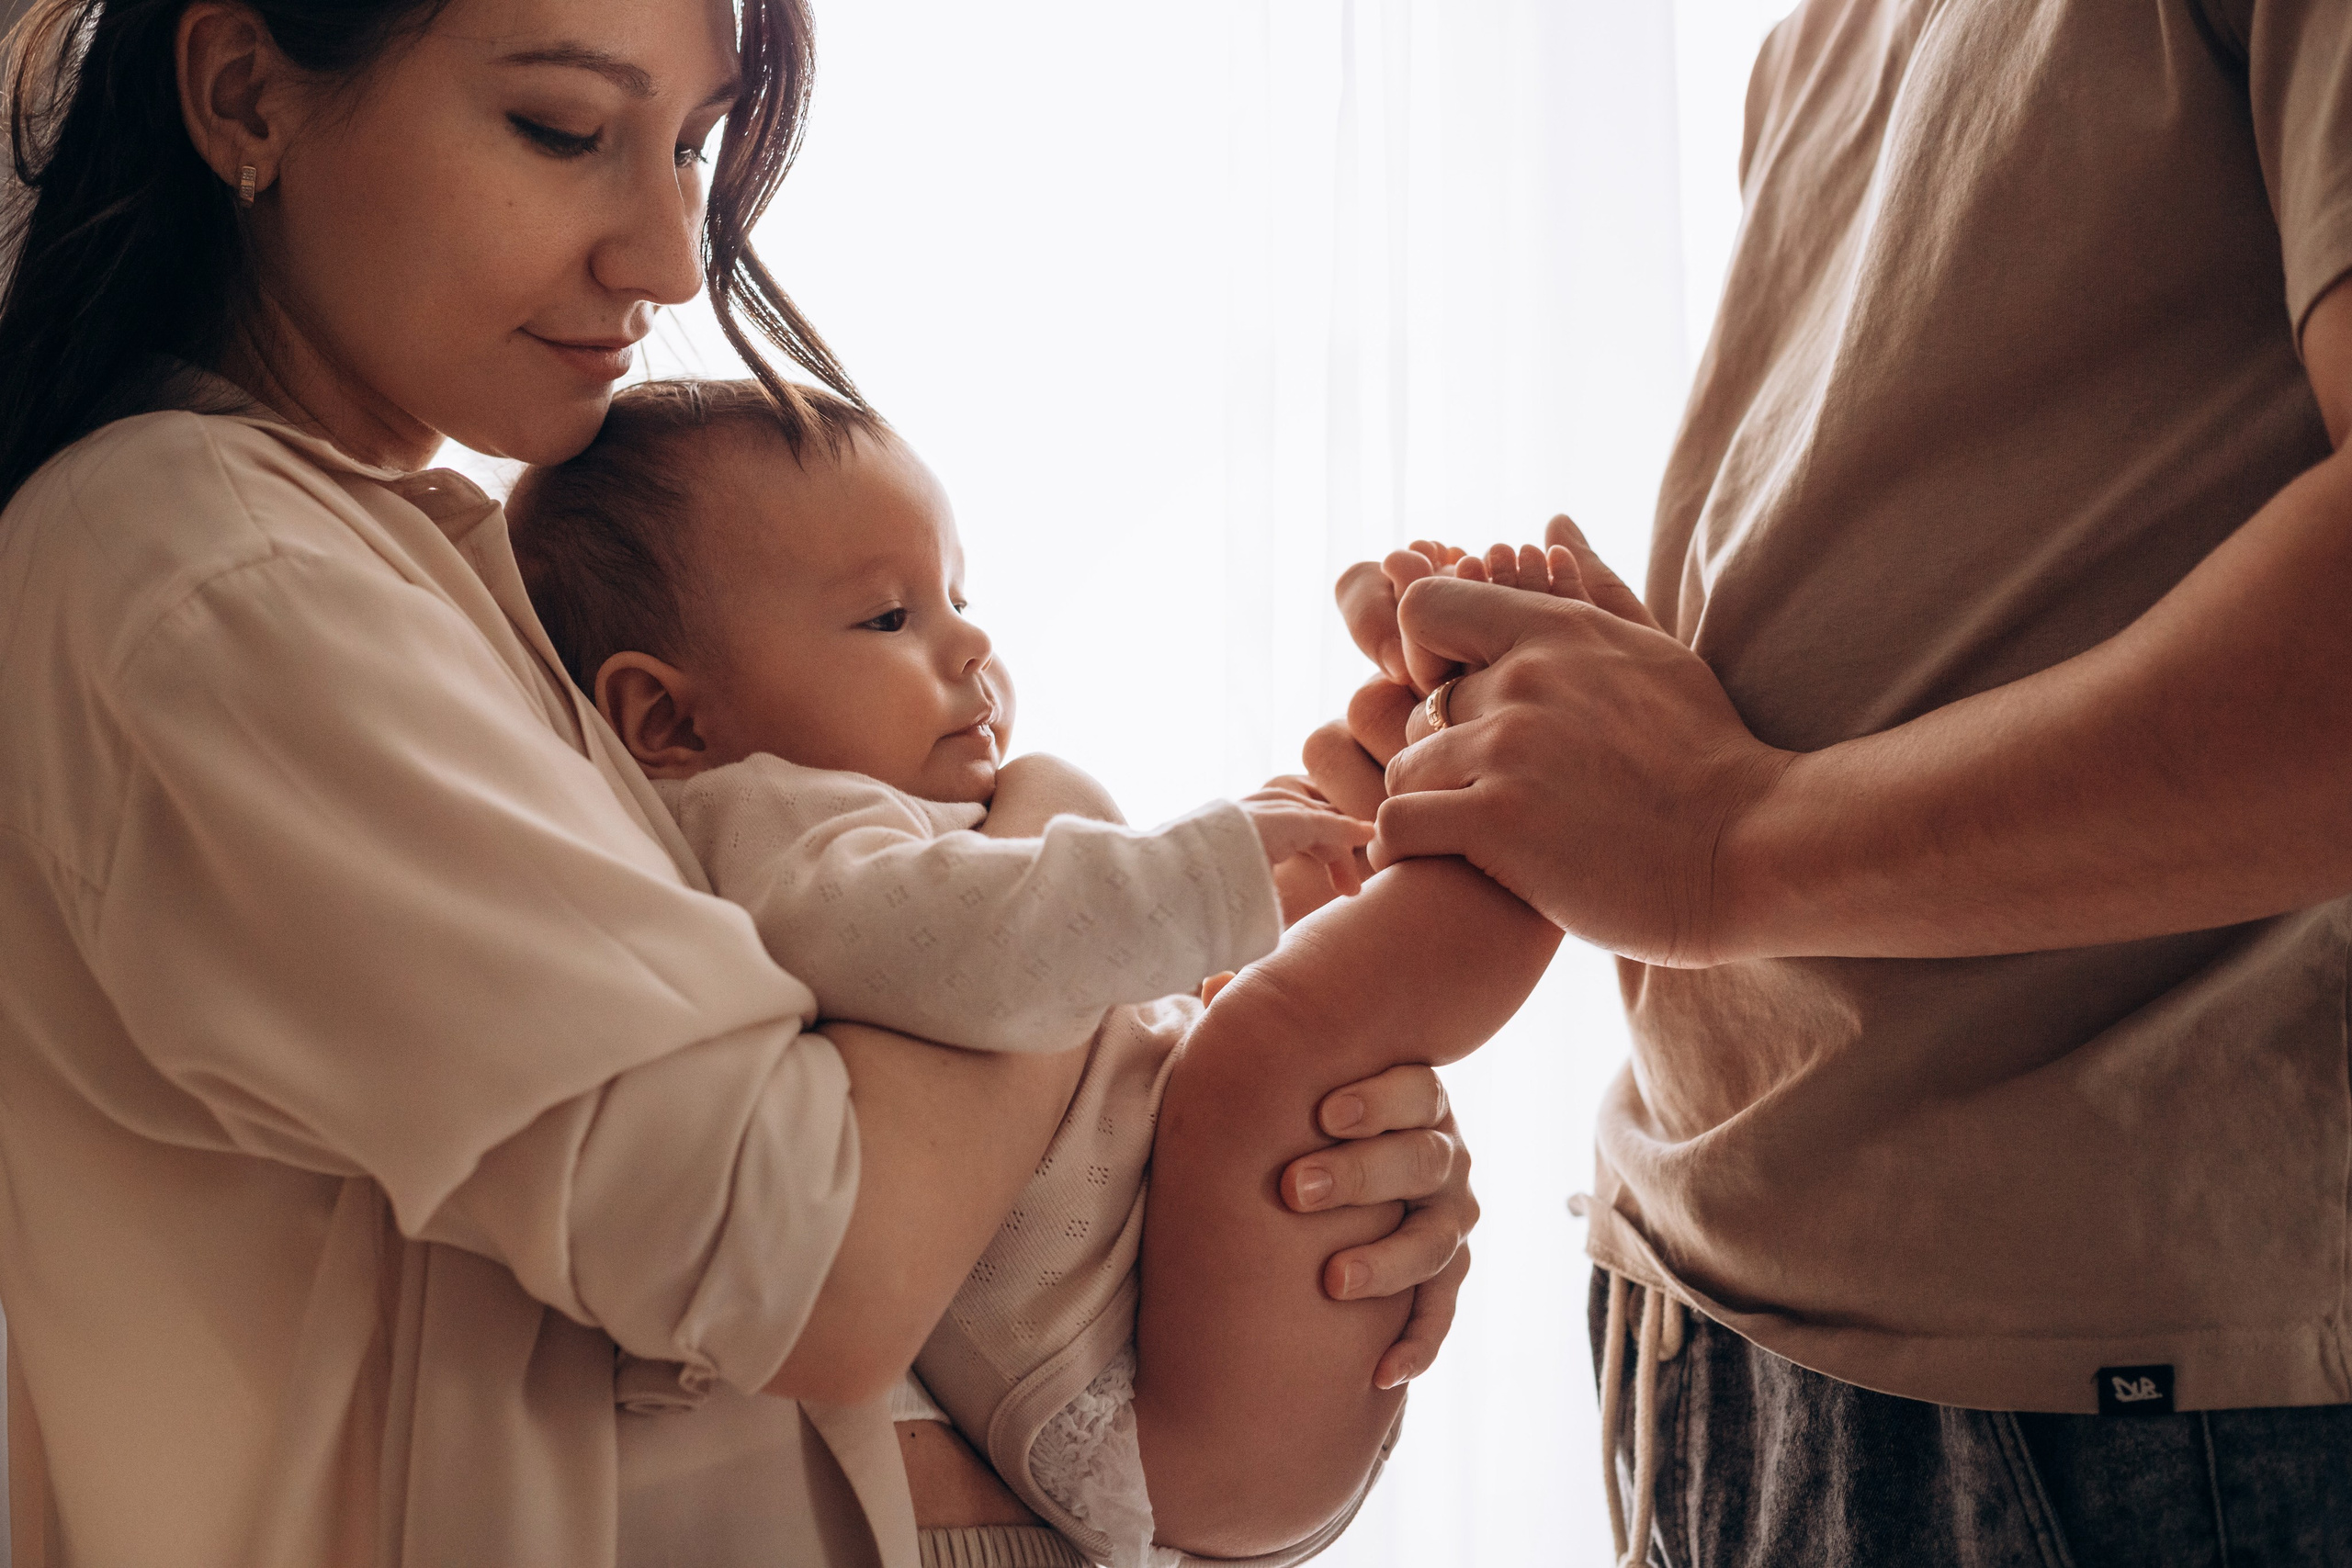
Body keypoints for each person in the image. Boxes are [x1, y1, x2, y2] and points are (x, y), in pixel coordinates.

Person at [0, 2, 1517, 1563]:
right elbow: (825, 1264)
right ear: (246, 92)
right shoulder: (218, 574)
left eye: (694, 145)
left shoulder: (397, 566)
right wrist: (1058, 833)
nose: (669, 258)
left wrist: (1258, 1209)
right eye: (564, 130)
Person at [1339, 2, 2352, 1563]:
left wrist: (1725, 834)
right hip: (1708, 1325)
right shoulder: (1821, 31)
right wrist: (1600, 731)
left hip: (2111, 1403)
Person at [500, 378, 1571, 1566]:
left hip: (1206, 1345)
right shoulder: (765, 827)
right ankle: (1534, 805)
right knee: (1286, 1034)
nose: (969, 644)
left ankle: (1473, 759)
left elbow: (1039, 947)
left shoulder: (905, 824)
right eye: (885, 621)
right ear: (668, 719)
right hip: (1145, 1400)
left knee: (1287, 1008)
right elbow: (958, 941)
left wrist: (1228, 902)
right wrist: (1205, 883)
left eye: (957, 596)